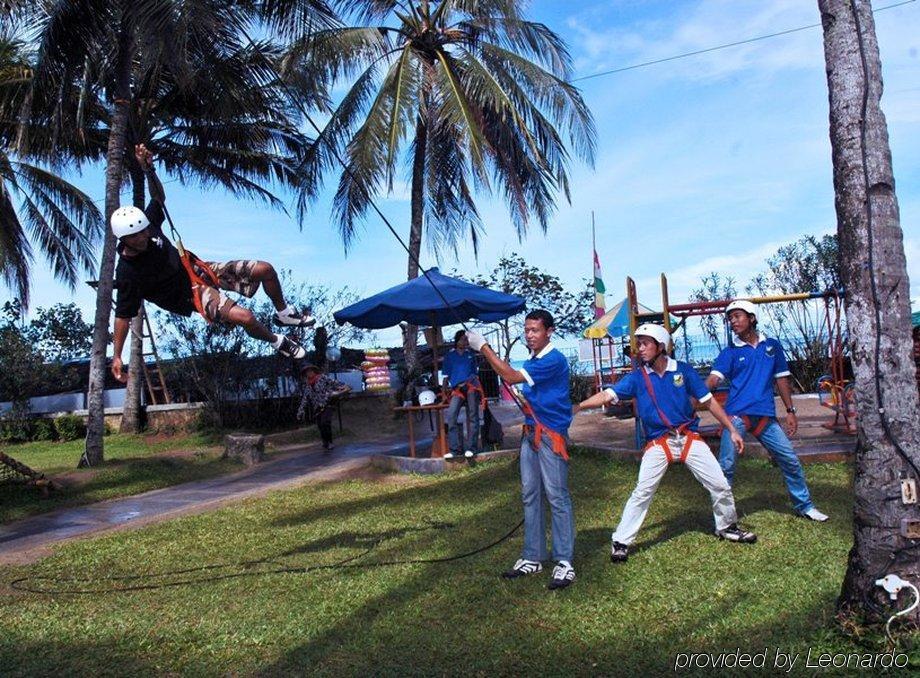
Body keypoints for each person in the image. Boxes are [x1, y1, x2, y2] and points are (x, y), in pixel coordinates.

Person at [109, 144, 314, 384]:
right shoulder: (127, 273)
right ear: (124, 240)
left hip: (199, 269)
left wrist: (149, 169)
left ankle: (284, 313)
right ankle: (278, 341)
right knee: (246, 317)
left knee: (265, 269)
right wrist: (116, 355)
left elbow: (158, 197)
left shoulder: (148, 225)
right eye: (135, 237)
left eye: (144, 232)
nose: (143, 238)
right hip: (191, 295)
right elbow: (123, 316)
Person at [576, 323, 757, 563]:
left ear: (660, 346)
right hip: (659, 442)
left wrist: (732, 429)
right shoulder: (637, 378)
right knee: (643, 491)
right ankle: (621, 541)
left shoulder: (684, 371)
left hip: (689, 437)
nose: (639, 349)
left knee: (720, 484)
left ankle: (727, 527)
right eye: (638, 343)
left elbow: (709, 401)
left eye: (644, 343)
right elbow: (608, 395)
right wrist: (578, 407)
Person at [466, 310, 576, 590]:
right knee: (530, 494)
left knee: (557, 496)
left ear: (549, 331)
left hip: (551, 437)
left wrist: (483, 347)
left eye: (535, 330)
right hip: (531, 435)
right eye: (526, 330)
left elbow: (511, 376)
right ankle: (534, 556)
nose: (529, 335)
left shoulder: (552, 359)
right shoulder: (535, 359)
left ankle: (564, 561)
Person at [706, 300, 829, 522]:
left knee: (789, 460)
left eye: (737, 316)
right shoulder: (730, 353)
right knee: (727, 467)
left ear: (751, 318)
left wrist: (790, 411)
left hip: (765, 418)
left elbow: (782, 379)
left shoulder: (772, 346)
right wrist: (699, 390)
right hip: (736, 418)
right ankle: (724, 519)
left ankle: (805, 507)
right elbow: (714, 379)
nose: (733, 322)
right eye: (730, 318)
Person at [441, 330, 483, 460]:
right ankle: (454, 450)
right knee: (451, 415)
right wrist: (444, 392)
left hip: (470, 387)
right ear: (457, 340)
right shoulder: (450, 356)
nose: (464, 342)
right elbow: (446, 376)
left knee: (473, 416)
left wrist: (472, 385)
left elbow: (475, 373)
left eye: (466, 340)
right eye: (462, 339)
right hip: (457, 390)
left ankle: (472, 448)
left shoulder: (470, 355)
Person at [296, 363, 350, 451]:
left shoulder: (322, 378)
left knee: (325, 422)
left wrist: (344, 386)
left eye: (310, 371)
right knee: (320, 425)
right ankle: (325, 442)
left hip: (327, 403)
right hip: (317, 407)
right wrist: (300, 410)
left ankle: (330, 442)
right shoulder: (307, 385)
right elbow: (305, 398)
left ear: (314, 371)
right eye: (307, 372)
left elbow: (333, 382)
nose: (309, 373)